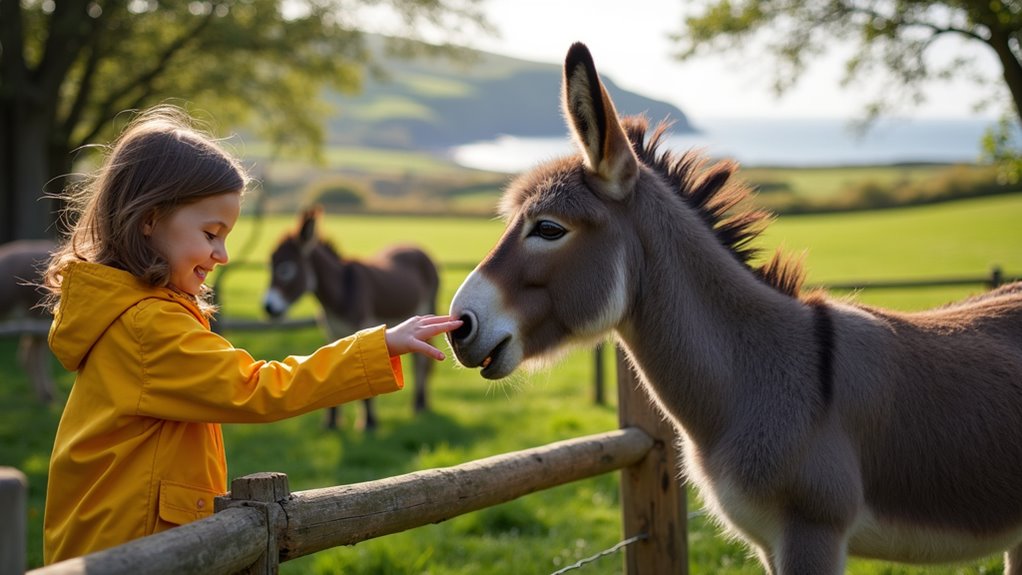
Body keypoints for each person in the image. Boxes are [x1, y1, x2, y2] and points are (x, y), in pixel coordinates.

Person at [39, 105, 462, 564]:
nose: (221, 254)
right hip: (137, 550)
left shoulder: (133, 313)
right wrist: (376, 349)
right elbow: (257, 387)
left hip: (123, 542)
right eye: (211, 233)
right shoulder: (146, 326)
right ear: (149, 220)